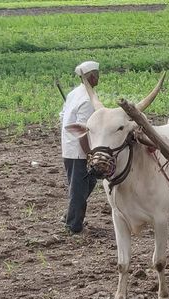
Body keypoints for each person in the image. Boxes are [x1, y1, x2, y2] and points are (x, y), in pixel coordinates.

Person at [59, 61, 100, 234]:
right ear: (91, 76)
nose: (98, 77)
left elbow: (62, 116)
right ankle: (73, 225)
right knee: (79, 189)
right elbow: (83, 132)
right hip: (79, 151)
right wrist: (90, 153)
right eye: (97, 75)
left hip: (69, 147)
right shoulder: (87, 99)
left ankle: (70, 215)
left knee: (89, 182)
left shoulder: (74, 93)